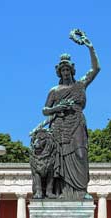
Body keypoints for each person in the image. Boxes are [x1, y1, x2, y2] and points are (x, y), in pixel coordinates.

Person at [42, 32, 100, 200]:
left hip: (77, 122)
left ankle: (81, 192)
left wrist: (90, 47)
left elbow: (96, 69)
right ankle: (62, 192)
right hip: (60, 126)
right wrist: (57, 107)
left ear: (72, 70)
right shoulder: (54, 91)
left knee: (81, 155)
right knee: (60, 159)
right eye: (63, 70)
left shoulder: (80, 84)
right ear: (59, 73)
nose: (65, 72)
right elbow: (45, 110)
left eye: (67, 69)